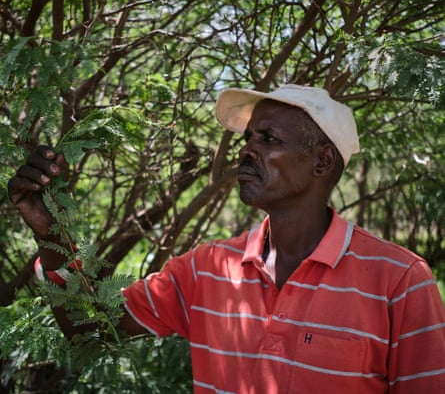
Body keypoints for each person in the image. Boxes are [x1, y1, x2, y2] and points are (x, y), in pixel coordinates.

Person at [8, 84, 445, 393]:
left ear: (322, 161)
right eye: (248, 136)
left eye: (268, 138)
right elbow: (94, 330)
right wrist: (49, 233)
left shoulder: (399, 280)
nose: (246, 149)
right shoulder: (207, 268)